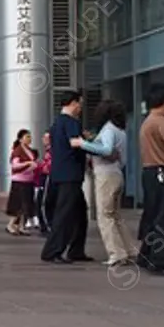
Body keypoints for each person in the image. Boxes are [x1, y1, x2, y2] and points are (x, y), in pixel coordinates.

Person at [70, 100, 134, 266]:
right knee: (116, 215)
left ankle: (116, 253)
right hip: (117, 174)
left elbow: (106, 150)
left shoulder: (108, 129)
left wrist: (82, 143)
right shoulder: (120, 131)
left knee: (105, 215)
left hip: (105, 175)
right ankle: (129, 250)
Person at [40, 90, 93, 264]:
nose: (80, 108)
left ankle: (76, 250)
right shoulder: (71, 122)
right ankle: (52, 251)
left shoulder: (56, 123)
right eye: (79, 104)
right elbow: (74, 143)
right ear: (72, 103)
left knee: (79, 214)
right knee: (64, 214)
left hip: (61, 173)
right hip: (70, 174)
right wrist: (89, 144)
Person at [134, 84, 164, 276]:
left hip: (150, 172)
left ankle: (147, 255)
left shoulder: (148, 121)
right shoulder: (162, 122)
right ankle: (161, 260)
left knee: (153, 215)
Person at [6, 130, 37, 236]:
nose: (29, 139)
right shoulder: (17, 151)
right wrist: (28, 163)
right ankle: (11, 224)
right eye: (27, 137)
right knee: (17, 203)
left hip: (29, 180)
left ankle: (21, 226)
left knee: (26, 204)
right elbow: (15, 165)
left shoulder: (30, 150)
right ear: (20, 139)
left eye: (30, 136)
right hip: (19, 180)